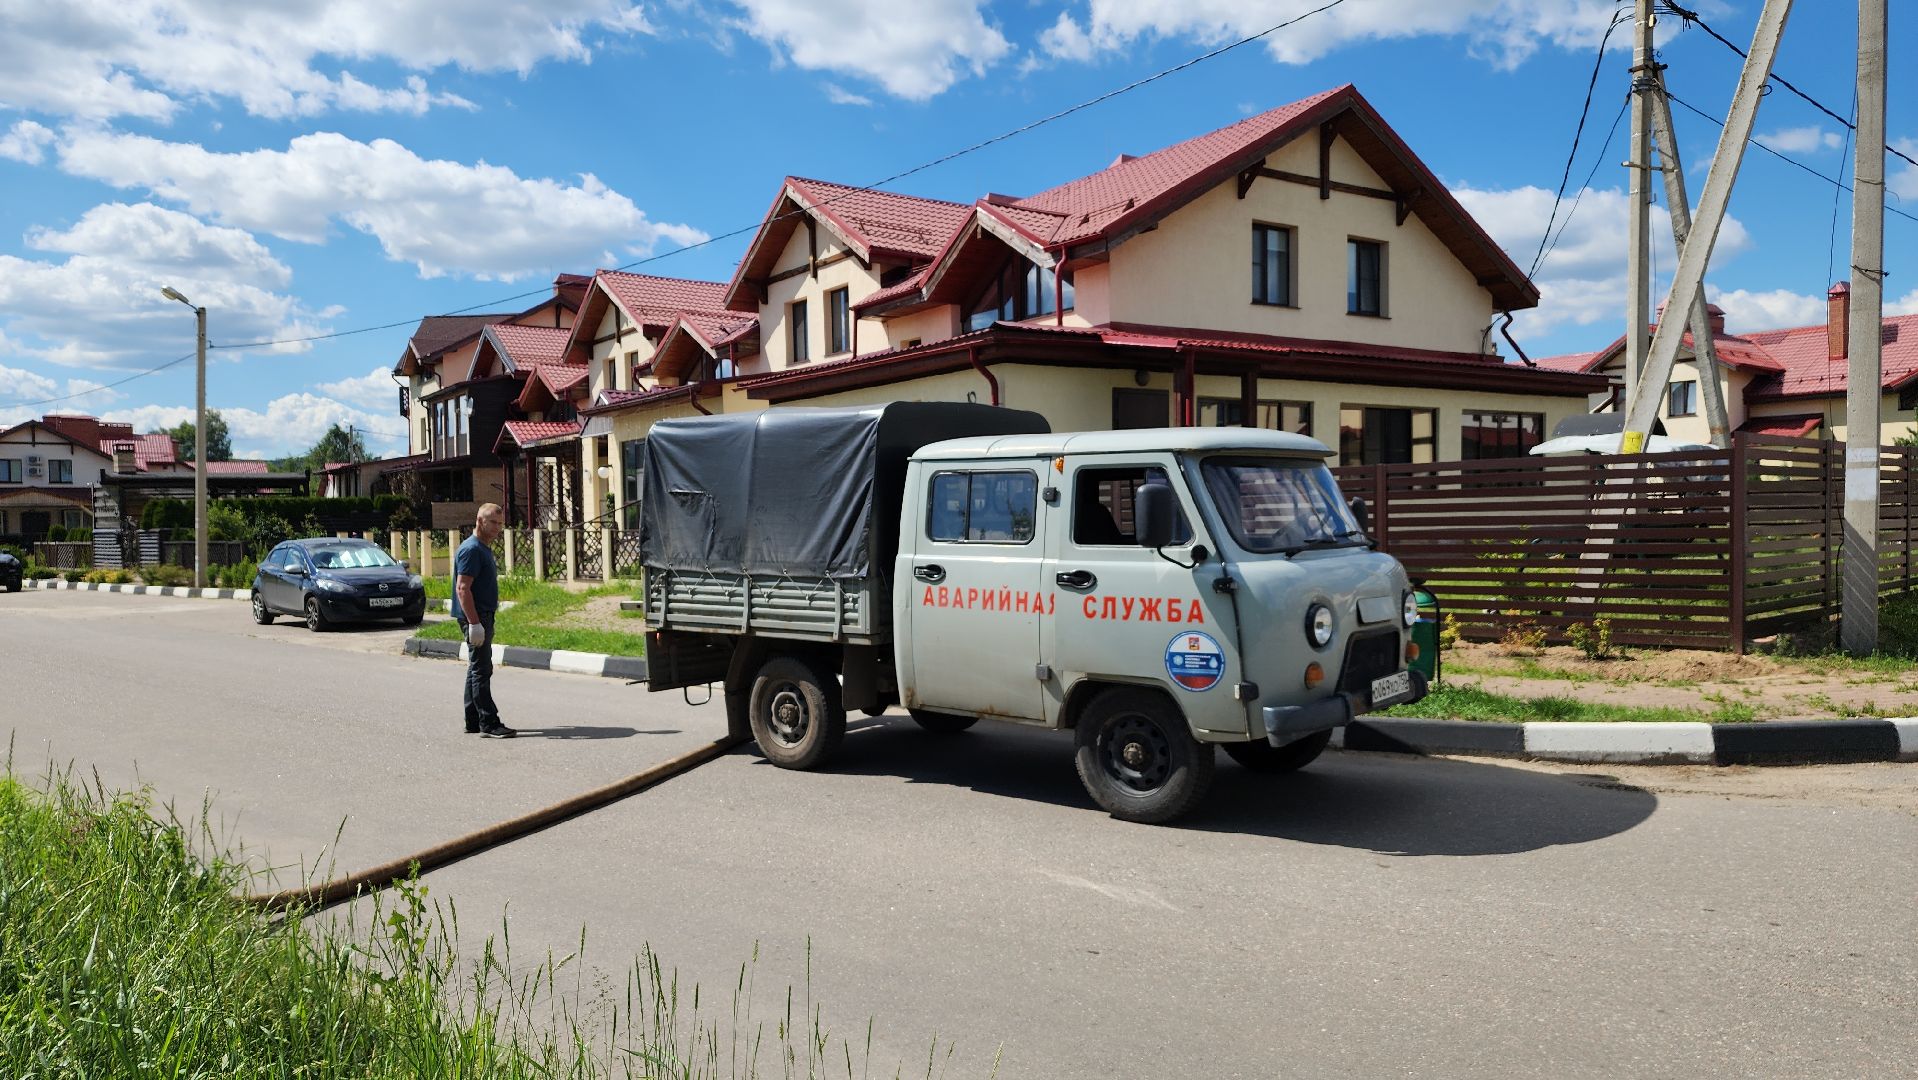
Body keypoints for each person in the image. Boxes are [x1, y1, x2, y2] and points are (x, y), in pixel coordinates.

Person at [454, 503, 516, 738]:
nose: (498, 528)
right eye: (494, 523)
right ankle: (489, 723)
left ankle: (473, 721)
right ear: (480, 521)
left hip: (481, 615)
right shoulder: (471, 550)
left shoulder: (482, 547)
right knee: (482, 669)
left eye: (501, 523)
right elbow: (463, 588)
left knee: (476, 667)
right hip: (476, 615)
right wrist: (474, 623)